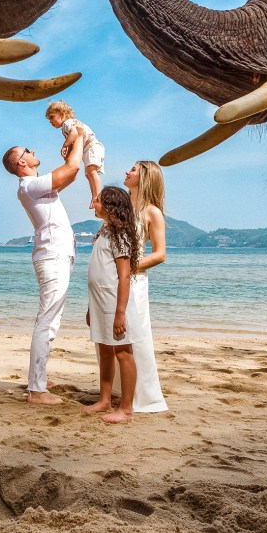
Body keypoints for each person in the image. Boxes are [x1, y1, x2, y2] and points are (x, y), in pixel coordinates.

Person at [2, 140, 83, 405]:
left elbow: (72, 171)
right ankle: (37, 390)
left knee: (51, 320)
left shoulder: (35, 186)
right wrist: (78, 135)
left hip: (56, 254)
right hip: (52, 255)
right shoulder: (29, 185)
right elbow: (71, 168)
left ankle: (39, 379)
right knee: (47, 320)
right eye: (28, 151)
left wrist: (72, 149)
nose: (34, 151)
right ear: (21, 163)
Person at [82, 186, 141, 424]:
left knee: (123, 352)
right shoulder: (104, 231)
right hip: (99, 302)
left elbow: (124, 276)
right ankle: (104, 399)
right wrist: (90, 307)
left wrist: (120, 313)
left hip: (114, 303)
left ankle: (126, 408)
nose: (92, 204)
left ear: (109, 206)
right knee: (104, 350)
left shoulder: (120, 235)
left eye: (96, 200)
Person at [124, 160, 169, 413]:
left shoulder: (152, 212)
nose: (127, 172)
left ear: (144, 177)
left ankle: (144, 396)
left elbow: (160, 254)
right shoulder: (120, 205)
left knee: (136, 336)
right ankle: (122, 391)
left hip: (134, 280)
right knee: (113, 336)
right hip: (112, 280)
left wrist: (128, 268)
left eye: (132, 169)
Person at [45, 100, 105, 209]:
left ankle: (97, 196)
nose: (50, 121)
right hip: (89, 147)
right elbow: (75, 142)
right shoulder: (68, 124)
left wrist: (65, 145)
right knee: (89, 173)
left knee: (91, 172)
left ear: (62, 115)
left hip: (91, 146)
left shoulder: (68, 123)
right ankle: (94, 196)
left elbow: (74, 133)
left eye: (52, 117)